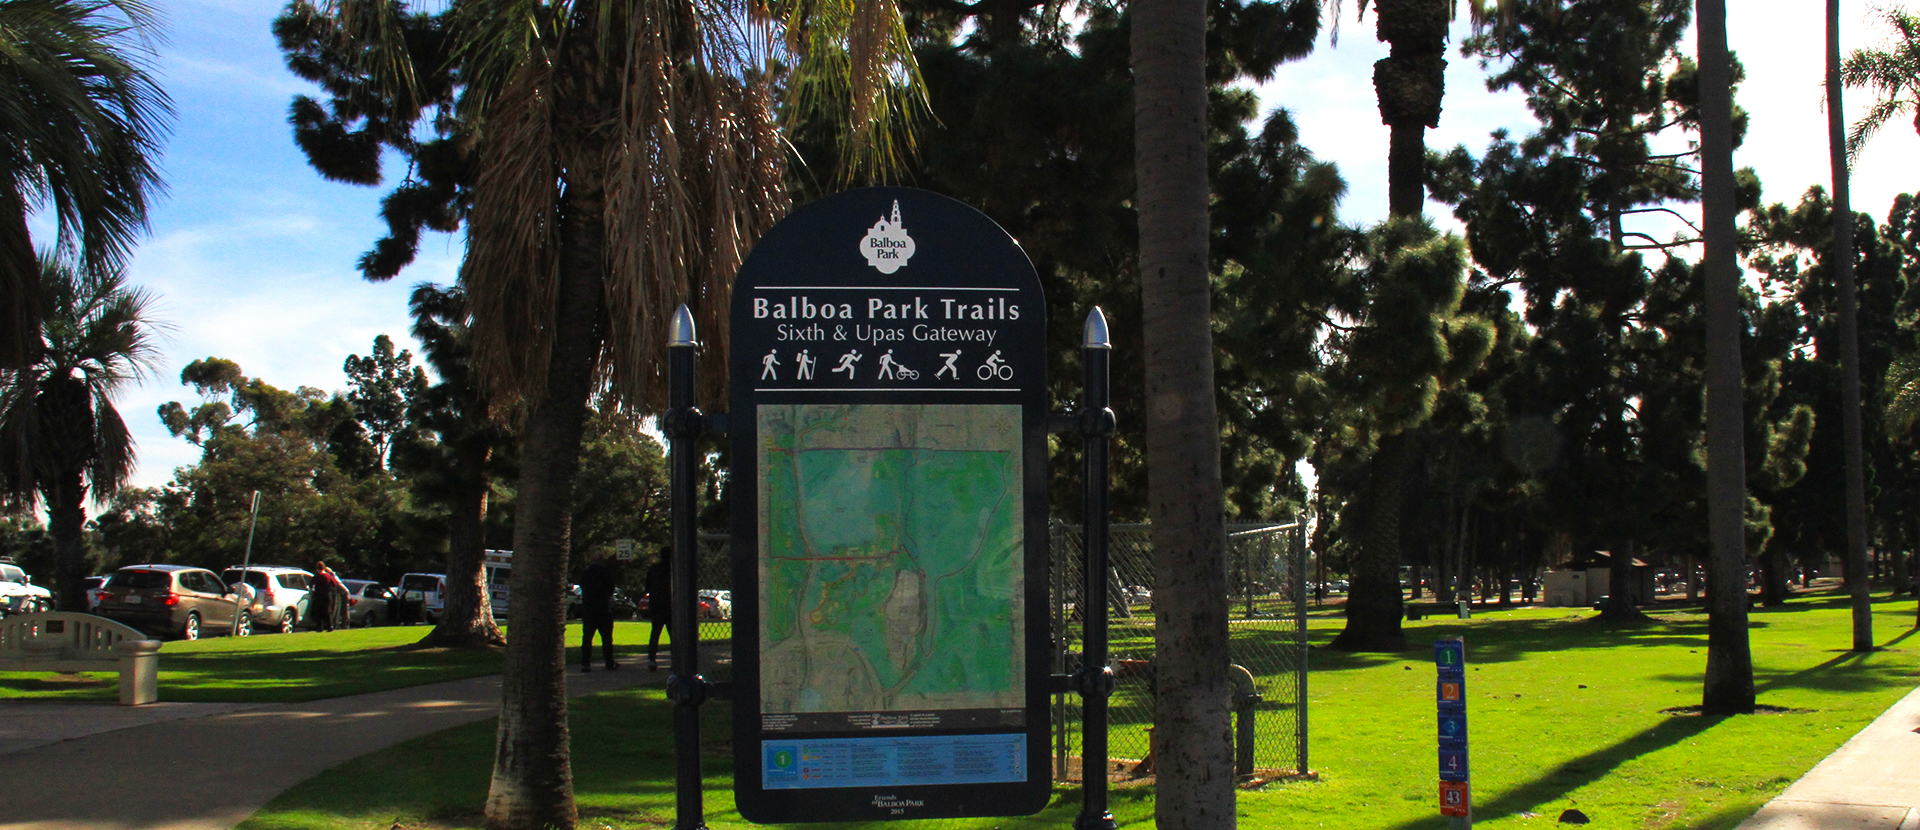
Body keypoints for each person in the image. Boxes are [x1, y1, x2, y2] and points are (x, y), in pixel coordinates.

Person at [579, 551, 619, 672]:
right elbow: (611, 589)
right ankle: (609, 662)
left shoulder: (585, 573)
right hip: (603, 608)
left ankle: (586, 663)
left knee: (587, 637)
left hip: (589, 609)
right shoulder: (606, 573)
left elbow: (582, 586)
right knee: (607, 638)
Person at [644, 548, 672, 672]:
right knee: (674, 635)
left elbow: (647, 587)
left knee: (655, 633)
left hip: (656, 604)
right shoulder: (674, 570)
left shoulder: (654, 569)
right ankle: (675, 660)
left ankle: (652, 659)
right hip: (670, 605)